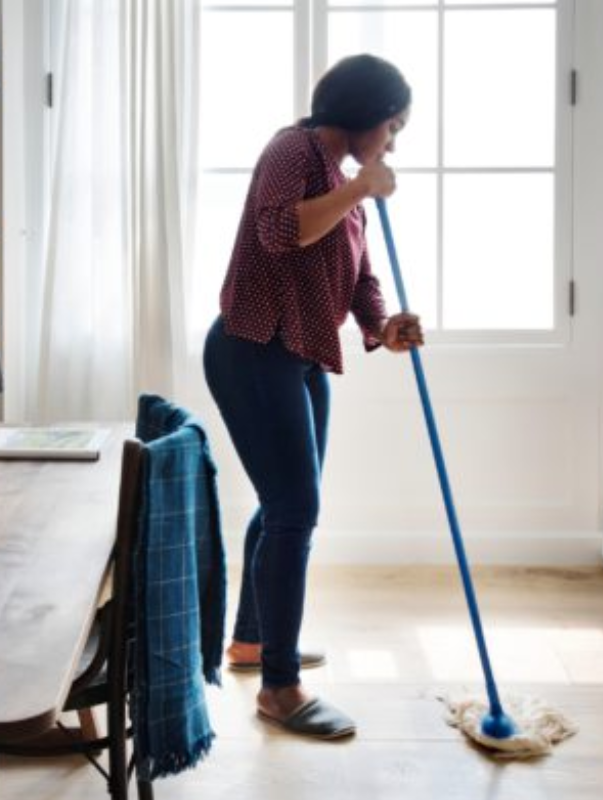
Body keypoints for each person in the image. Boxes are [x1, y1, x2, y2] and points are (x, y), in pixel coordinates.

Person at [202, 53, 423, 741]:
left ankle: (252, 642)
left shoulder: (338, 174)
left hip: (300, 352)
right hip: (252, 348)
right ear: (362, 116)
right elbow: (278, 233)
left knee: (284, 506)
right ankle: (279, 687)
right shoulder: (293, 149)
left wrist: (382, 324)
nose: (392, 142)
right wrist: (360, 190)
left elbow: (353, 268)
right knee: (296, 510)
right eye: (391, 126)